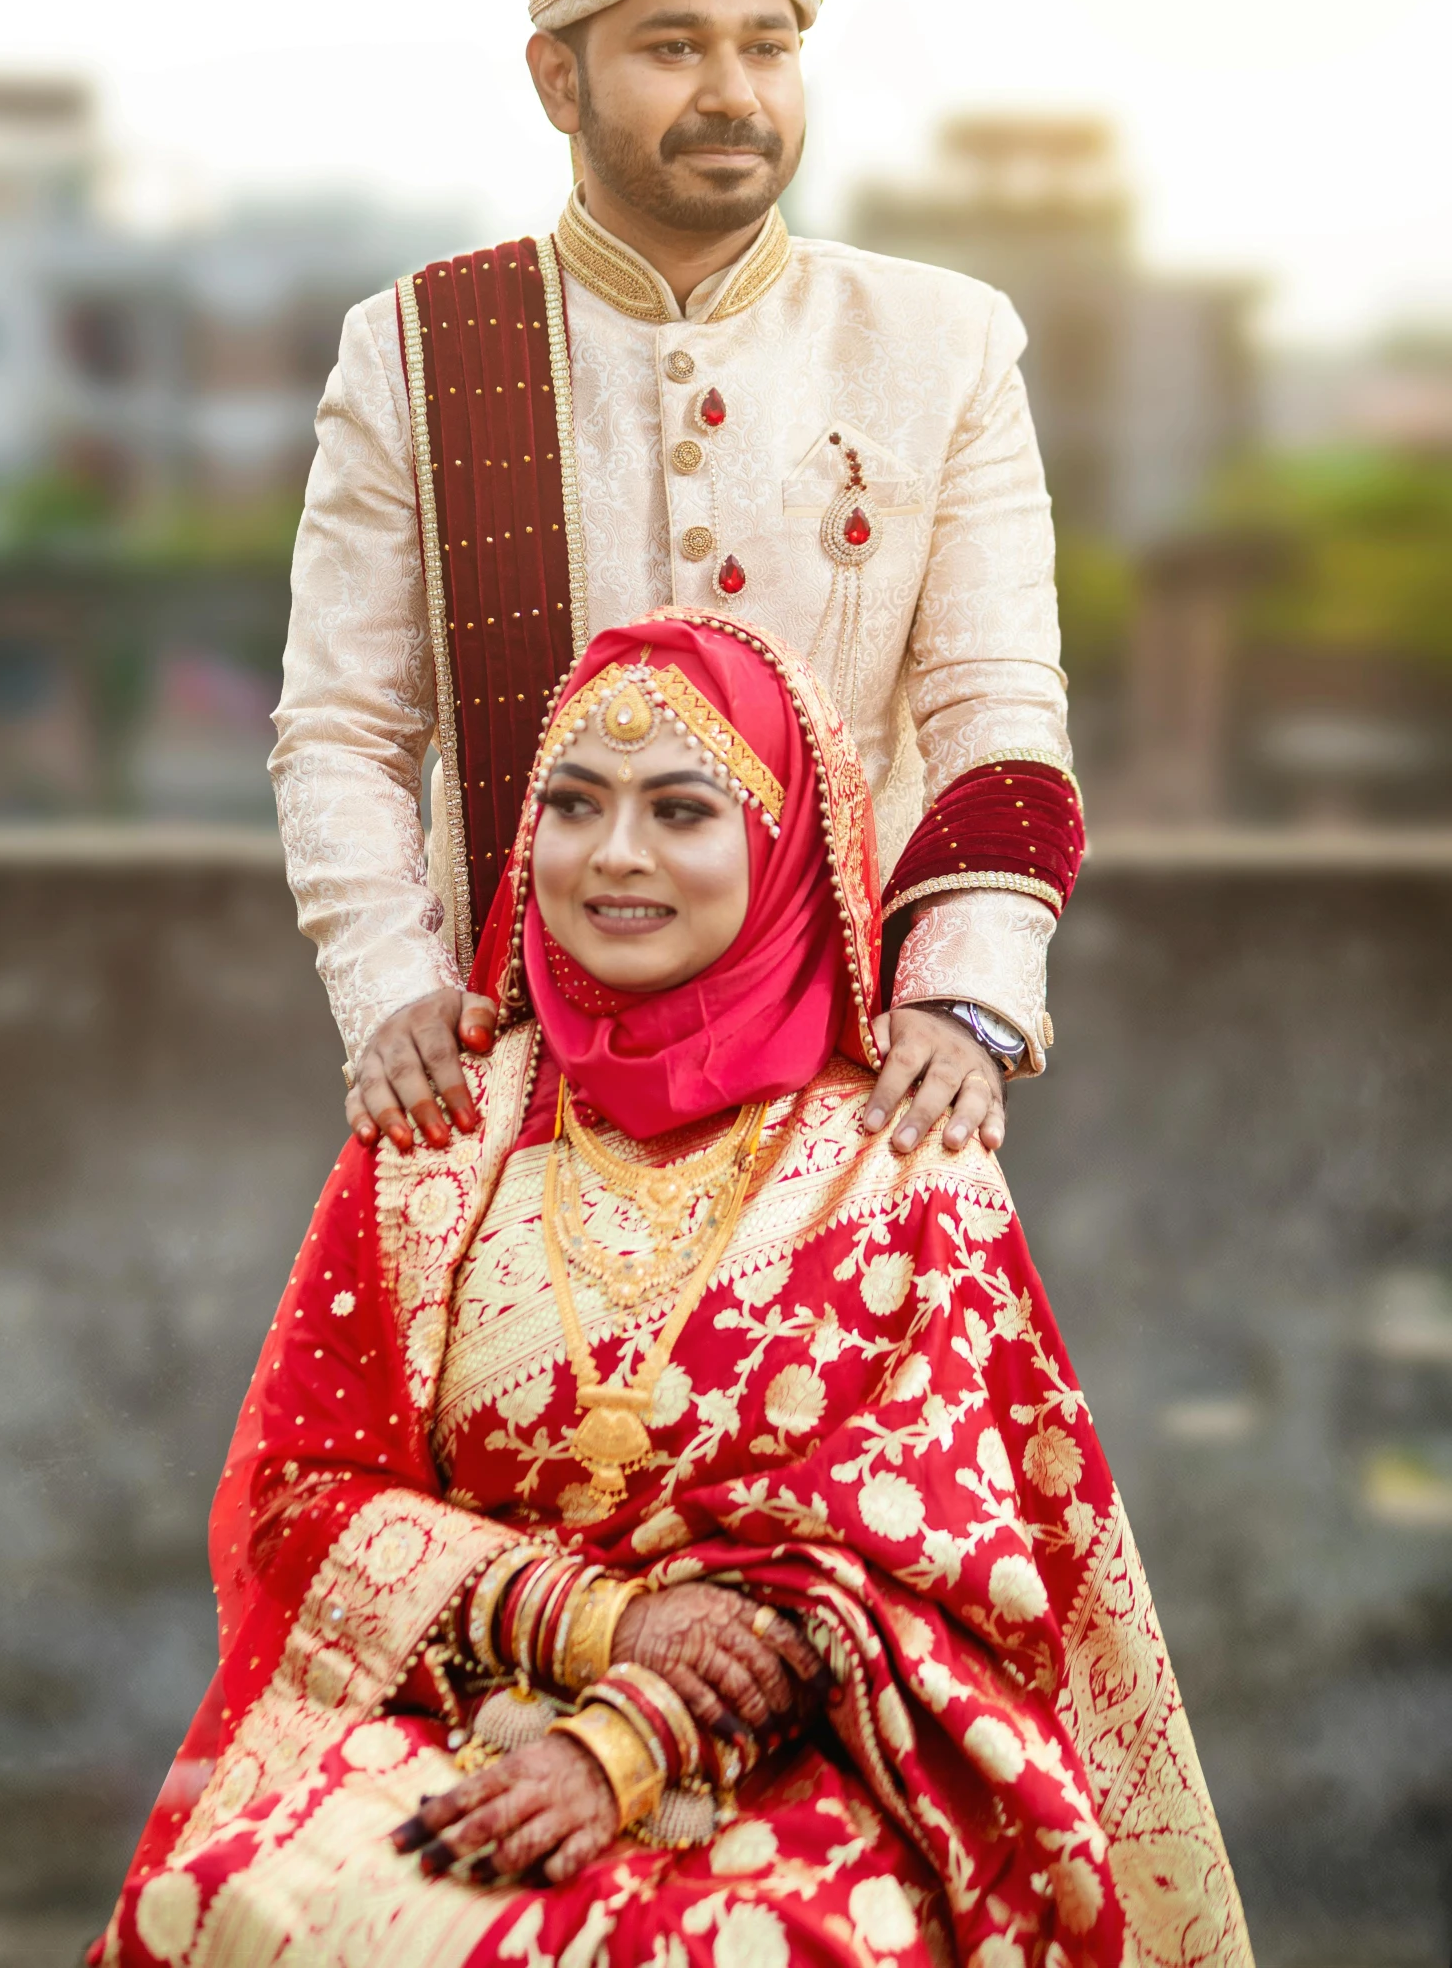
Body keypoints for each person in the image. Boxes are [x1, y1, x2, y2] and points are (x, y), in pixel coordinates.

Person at [98, 614, 1249, 1968]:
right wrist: (593, 1619)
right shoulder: (442, 1136)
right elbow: (298, 1498)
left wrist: (637, 1737)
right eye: (573, 805)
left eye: (682, 808)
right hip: (453, 1713)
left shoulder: (898, 1164)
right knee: (245, 1905)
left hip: (804, 1764)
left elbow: (937, 1587)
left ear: (783, 850)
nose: (616, 854)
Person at [268, 0, 1082, 1190]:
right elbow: (342, 724)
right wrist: (392, 991)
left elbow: (993, 702)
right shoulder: (418, 346)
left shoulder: (940, 343)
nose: (730, 91)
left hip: (858, 1081)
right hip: (502, 1083)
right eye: (671, 45)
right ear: (555, 80)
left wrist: (961, 997)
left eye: (765, 45)